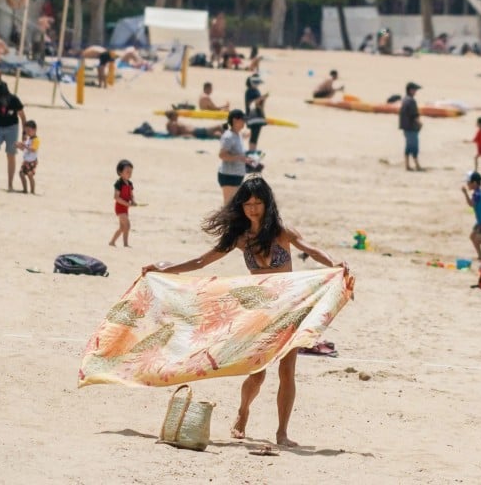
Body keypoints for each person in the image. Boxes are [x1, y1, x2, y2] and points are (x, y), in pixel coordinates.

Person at [140, 175, 347, 447]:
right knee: (258, 372)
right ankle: (243, 411)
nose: (252, 208)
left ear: (267, 203)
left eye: (258, 203)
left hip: (290, 309)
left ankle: (282, 432)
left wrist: (335, 263)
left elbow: (312, 249)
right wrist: (164, 269)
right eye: (248, 203)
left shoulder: (283, 231)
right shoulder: (240, 238)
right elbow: (203, 260)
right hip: (259, 312)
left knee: (287, 372)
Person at [218, 109, 250, 204]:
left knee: (234, 206)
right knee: (228, 206)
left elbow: (238, 154)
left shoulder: (238, 134)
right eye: (243, 120)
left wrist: (248, 160)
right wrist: (239, 158)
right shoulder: (228, 136)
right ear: (235, 120)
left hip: (237, 174)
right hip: (228, 175)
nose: (244, 122)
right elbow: (222, 155)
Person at [109, 159, 135, 247]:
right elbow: (116, 197)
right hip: (120, 207)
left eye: (131, 172)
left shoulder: (130, 183)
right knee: (127, 225)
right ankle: (125, 244)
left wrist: (133, 201)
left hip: (126, 207)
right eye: (127, 171)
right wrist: (126, 204)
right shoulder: (118, 183)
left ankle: (112, 242)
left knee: (122, 227)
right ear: (120, 172)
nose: (129, 174)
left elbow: (131, 194)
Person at [399, 82, 422, 171]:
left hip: (405, 127)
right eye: (414, 90)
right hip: (411, 127)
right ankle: (417, 165)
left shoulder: (404, 100)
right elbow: (414, 115)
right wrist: (420, 123)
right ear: (410, 90)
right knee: (414, 147)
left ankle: (407, 165)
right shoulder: (411, 101)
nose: (416, 91)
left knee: (408, 147)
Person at [244, 75, 268, 152]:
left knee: (255, 134)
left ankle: (252, 149)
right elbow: (253, 103)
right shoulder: (251, 91)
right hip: (255, 116)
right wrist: (262, 98)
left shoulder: (251, 91)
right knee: (254, 135)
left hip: (255, 116)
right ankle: (252, 150)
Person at [17, 120, 39, 194]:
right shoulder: (28, 139)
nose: (28, 132)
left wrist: (24, 146)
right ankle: (25, 189)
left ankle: (32, 191)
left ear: (34, 130)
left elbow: (33, 149)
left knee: (30, 175)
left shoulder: (36, 140)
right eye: (26, 131)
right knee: (21, 174)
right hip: (26, 160)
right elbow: (24, 149)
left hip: (32, 161)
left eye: (29, 130)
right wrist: (19, 146)